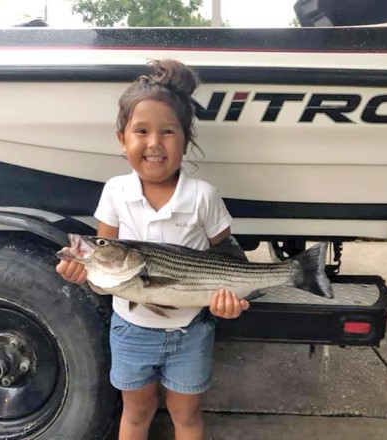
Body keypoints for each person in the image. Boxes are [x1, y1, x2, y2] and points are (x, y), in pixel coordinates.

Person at [56, 59, 249, 440]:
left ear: (186, 136)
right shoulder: (115, 191)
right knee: (136, 412)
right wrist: (83, 270)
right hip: (130, 330)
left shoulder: (203, 196)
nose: (154, 143)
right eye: (141, 131)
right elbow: (102, 261)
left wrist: (236, 300)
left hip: (191, 329)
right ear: (121, 138)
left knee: (187, 414)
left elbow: (231, 260)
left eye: (168, 132)